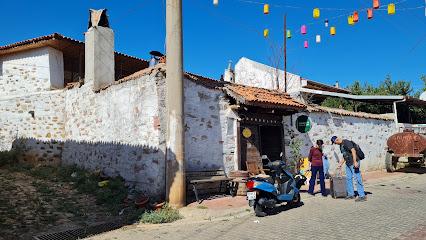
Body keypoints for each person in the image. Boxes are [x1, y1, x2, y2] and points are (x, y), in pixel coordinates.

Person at [331, 136, 366, 202]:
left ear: (336, 140)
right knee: (348, 178)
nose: (335, 144)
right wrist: (340, 164)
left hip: (353, 162)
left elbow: (353, 151)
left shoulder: (346, 142)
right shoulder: (341, 145)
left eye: (335, 142)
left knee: (357, 178)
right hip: (348, 163)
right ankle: (351, 194)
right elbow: (345, 155)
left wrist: (355, 161)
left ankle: (362, 195)